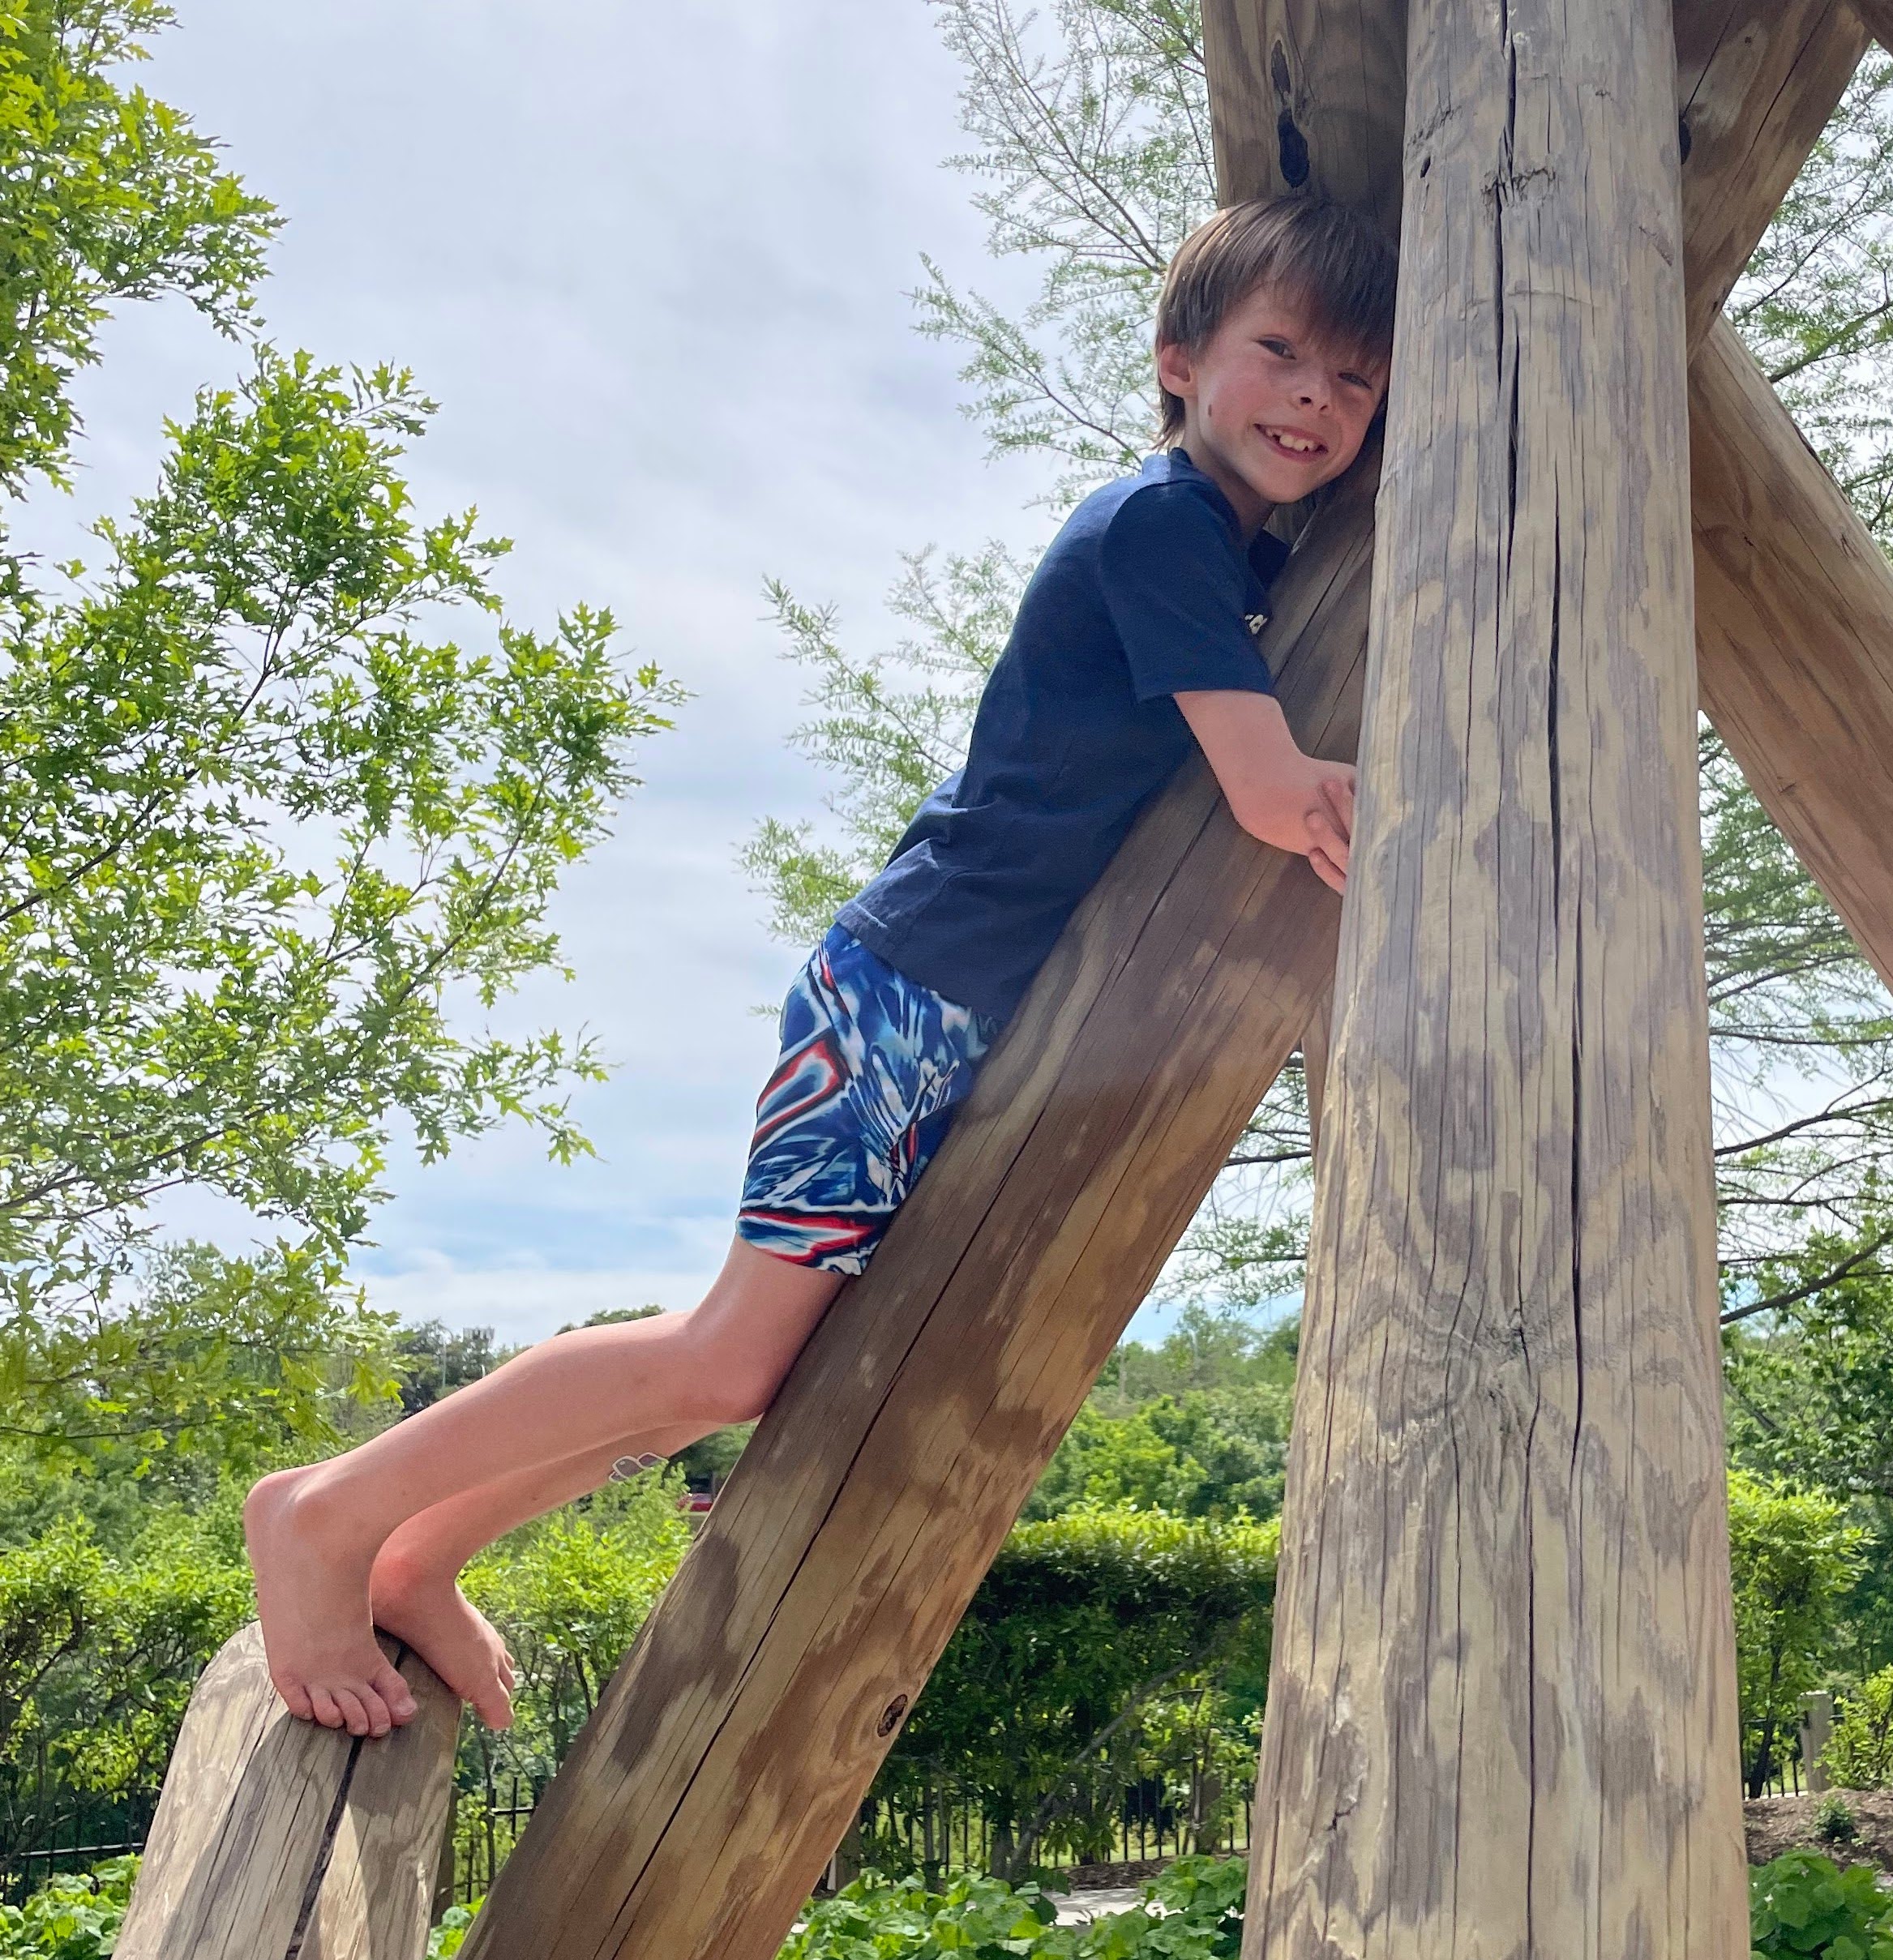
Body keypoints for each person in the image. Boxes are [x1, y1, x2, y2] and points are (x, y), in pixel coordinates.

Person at [243, 193, 1398, 1735]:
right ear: (1180, 361)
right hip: (909, 989)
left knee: (748, 1367)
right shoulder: (1165, 526)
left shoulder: (1221, 546)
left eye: (1358, 377)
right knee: (727, 1355)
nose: (1320, 397)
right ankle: (323, 1514)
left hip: (947, 1003)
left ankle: (418, 1551)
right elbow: (1269, 790)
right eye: (1282, 353)